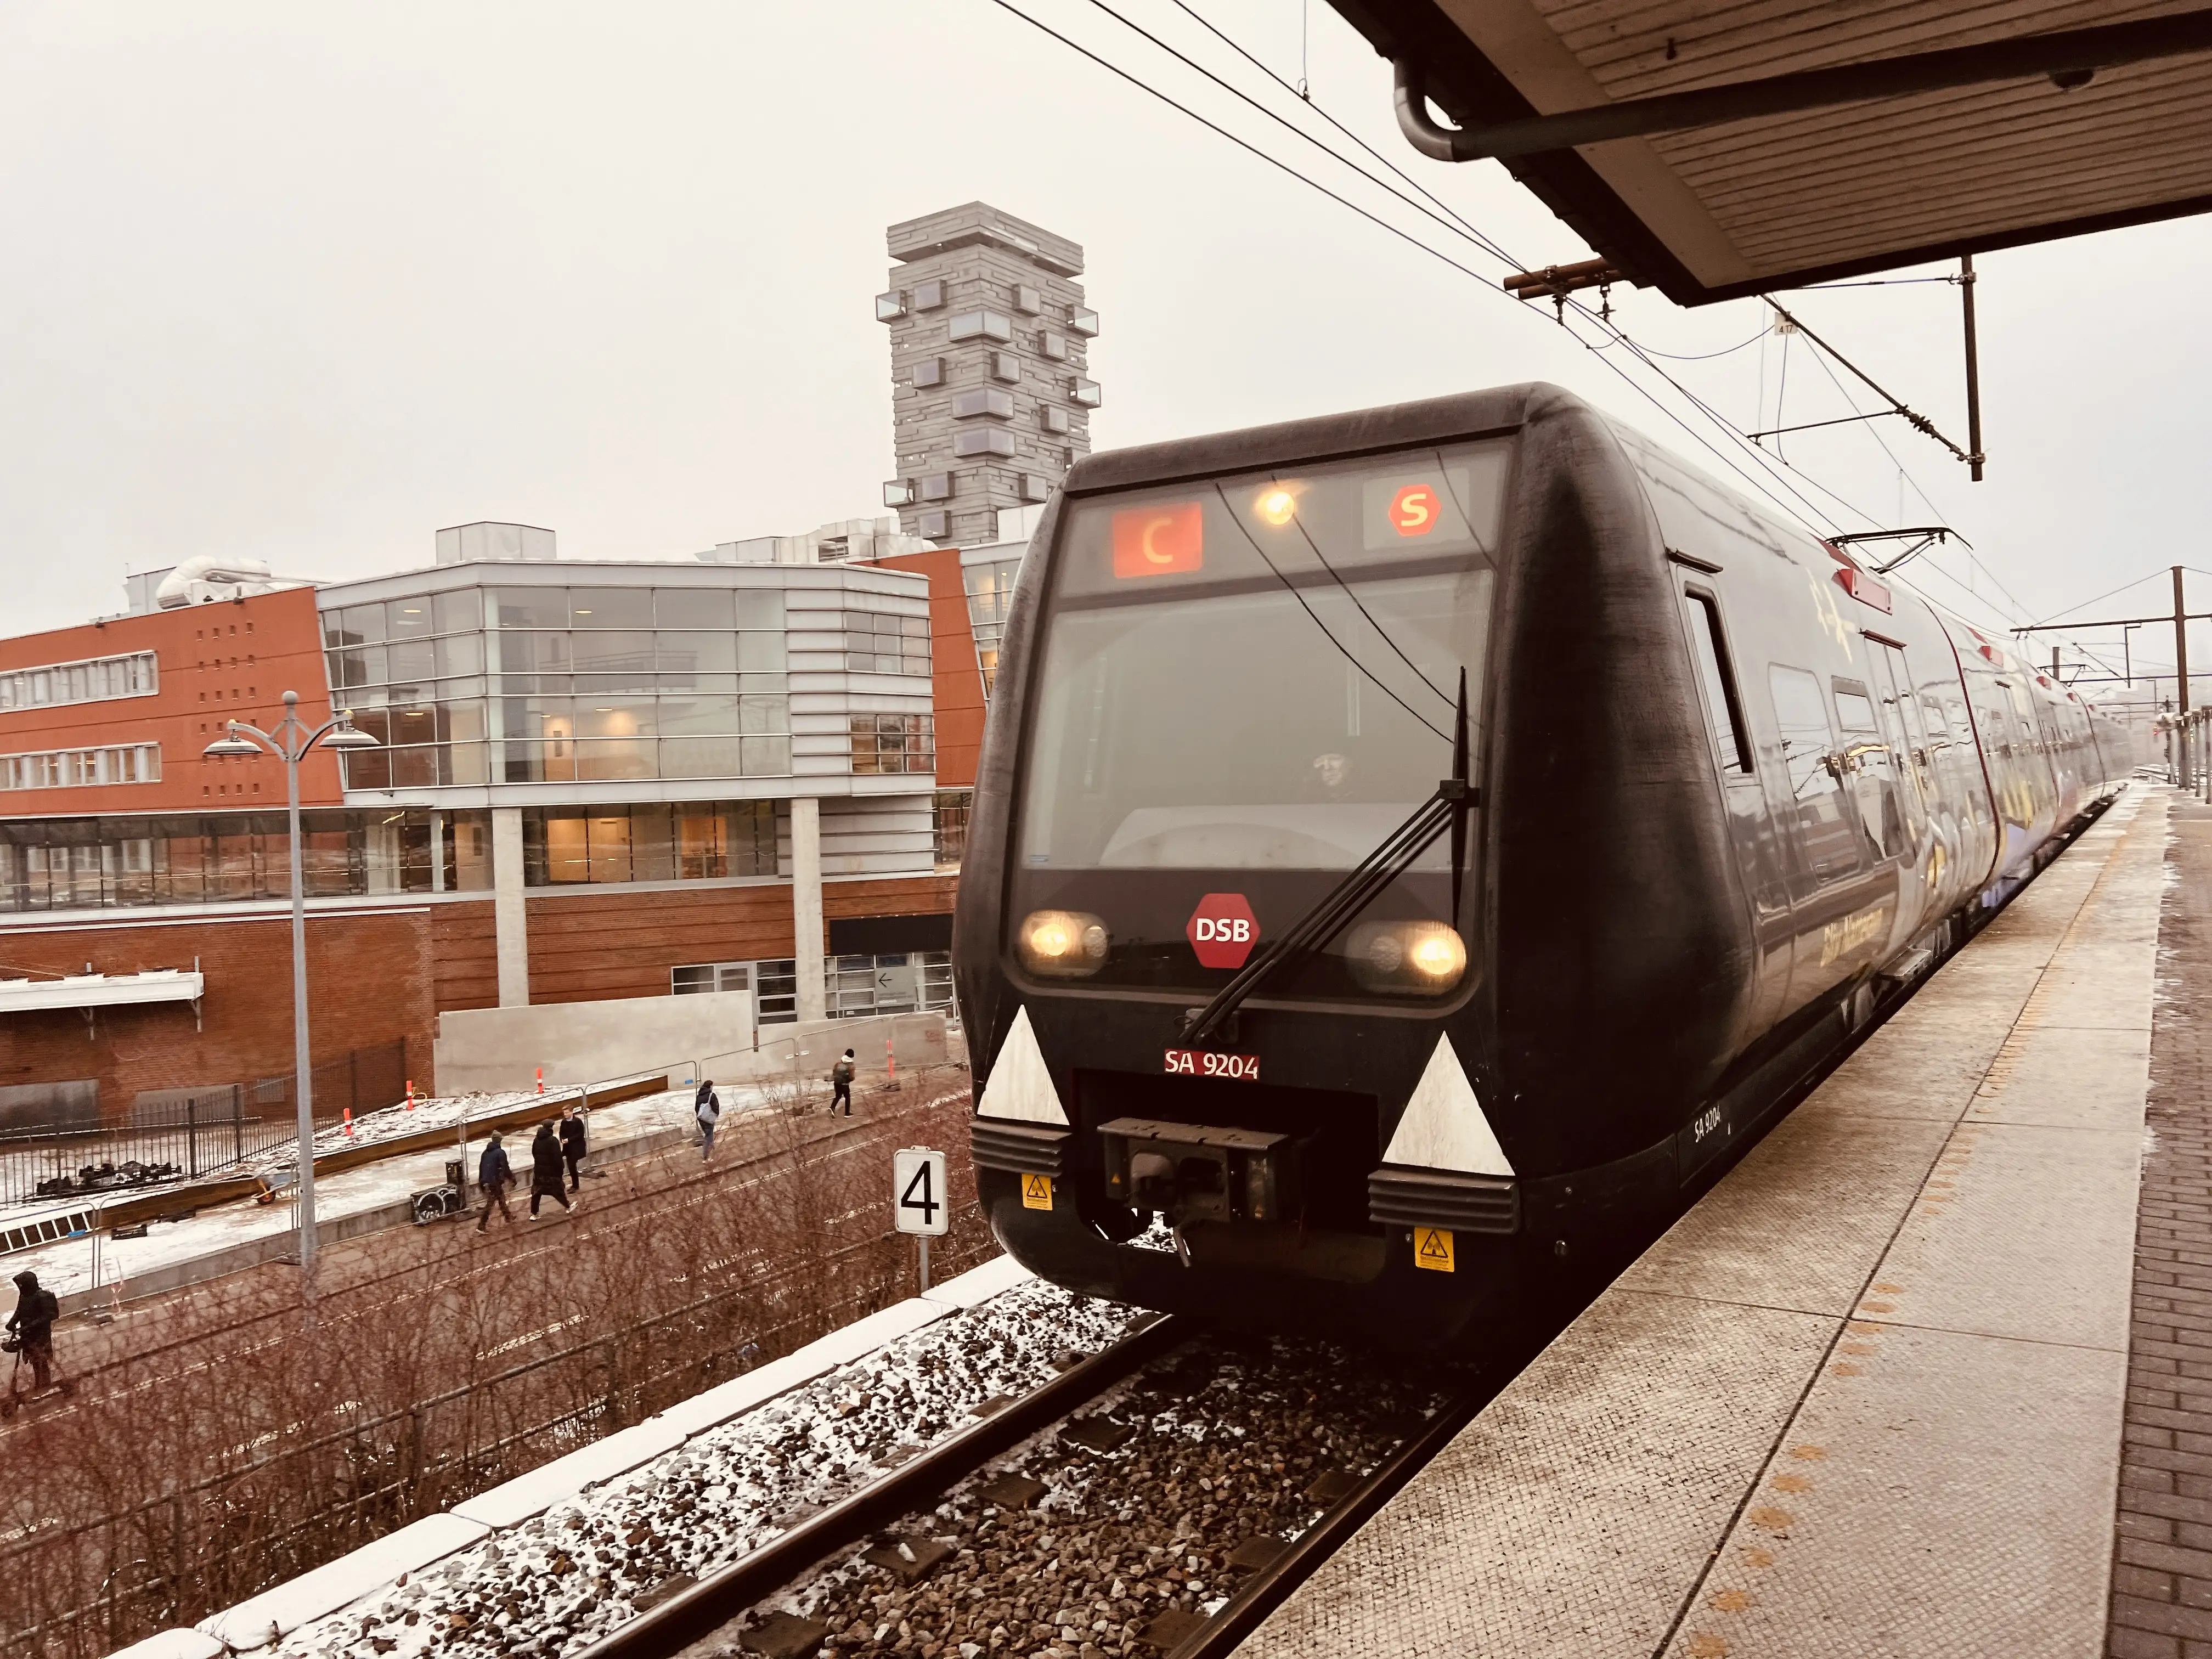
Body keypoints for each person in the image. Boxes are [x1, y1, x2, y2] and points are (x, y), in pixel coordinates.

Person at [6, 1269, 58, 1393]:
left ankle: (45, 1385)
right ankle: (41, 1384)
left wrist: (29, 1326)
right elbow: (19, 1312)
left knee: (41, 1359)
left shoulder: (43, 1297)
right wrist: (11, 1323)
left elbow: (48, 1316)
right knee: (35, 1361)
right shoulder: (24, 1297)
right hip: (28, 1335)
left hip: (40, 1335)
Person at [528, 1120, 572, 1217]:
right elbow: (557, 1158)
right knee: (557, 1191)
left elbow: (534, 1153)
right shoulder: (553, 1141)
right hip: (551, 1172)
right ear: (551, 1128)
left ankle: (534, 1214)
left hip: (539, 1171)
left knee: (536, 1193)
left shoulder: (536, 1139)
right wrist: (561, 1170)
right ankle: (568, 1207)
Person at [475, 1131, 515, 1232]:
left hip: (486, 1180)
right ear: (500, 1141)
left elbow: (481, 1167)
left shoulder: (485, 1152)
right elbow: (505, 1168)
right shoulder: (501, 1153)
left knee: (501, 1198)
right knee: (490, 1204)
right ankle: (481, 1226)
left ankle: (508, 1217)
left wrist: (481, 1181)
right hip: (494, 1182)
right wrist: (512, 1179)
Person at [560, 1104, 588, 1193]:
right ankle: (575, 1185)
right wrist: (563, 1139)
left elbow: (580, 1134)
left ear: (572, 1112)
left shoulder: (578, 1122)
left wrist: (569, 1140)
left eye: (567, 1112)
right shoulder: (564, 1122)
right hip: (568, 1148)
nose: (565, 1114)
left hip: (576, 1147)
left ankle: (575, 1185)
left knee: (572, 1166)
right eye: (565, 1113)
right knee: (571, 1167)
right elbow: (561, 1133)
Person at [696, 1079, 721, 1161]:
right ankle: (706, 1157)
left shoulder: (699, 1096)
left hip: (701, 1119)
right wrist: (714, 1116)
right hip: (709, 1119)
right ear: (710, 1086)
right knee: (709, 1137)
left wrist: (701, 1116)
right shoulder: (712, 1095)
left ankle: (713, 1150)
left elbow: (696, 1108)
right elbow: (716, 1107)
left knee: (708, 1135)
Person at [831, 1049, 856, 1116]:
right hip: (844, 1084)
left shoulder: (839, 1062)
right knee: (848, 1097)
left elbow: (834, 1070)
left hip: (837, 1082)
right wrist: (850, 1080)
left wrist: (836, 1078)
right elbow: (852, 1077)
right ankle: (847, 1113)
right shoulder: (851, 1064)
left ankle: (832, 1107)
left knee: (838, 1096)